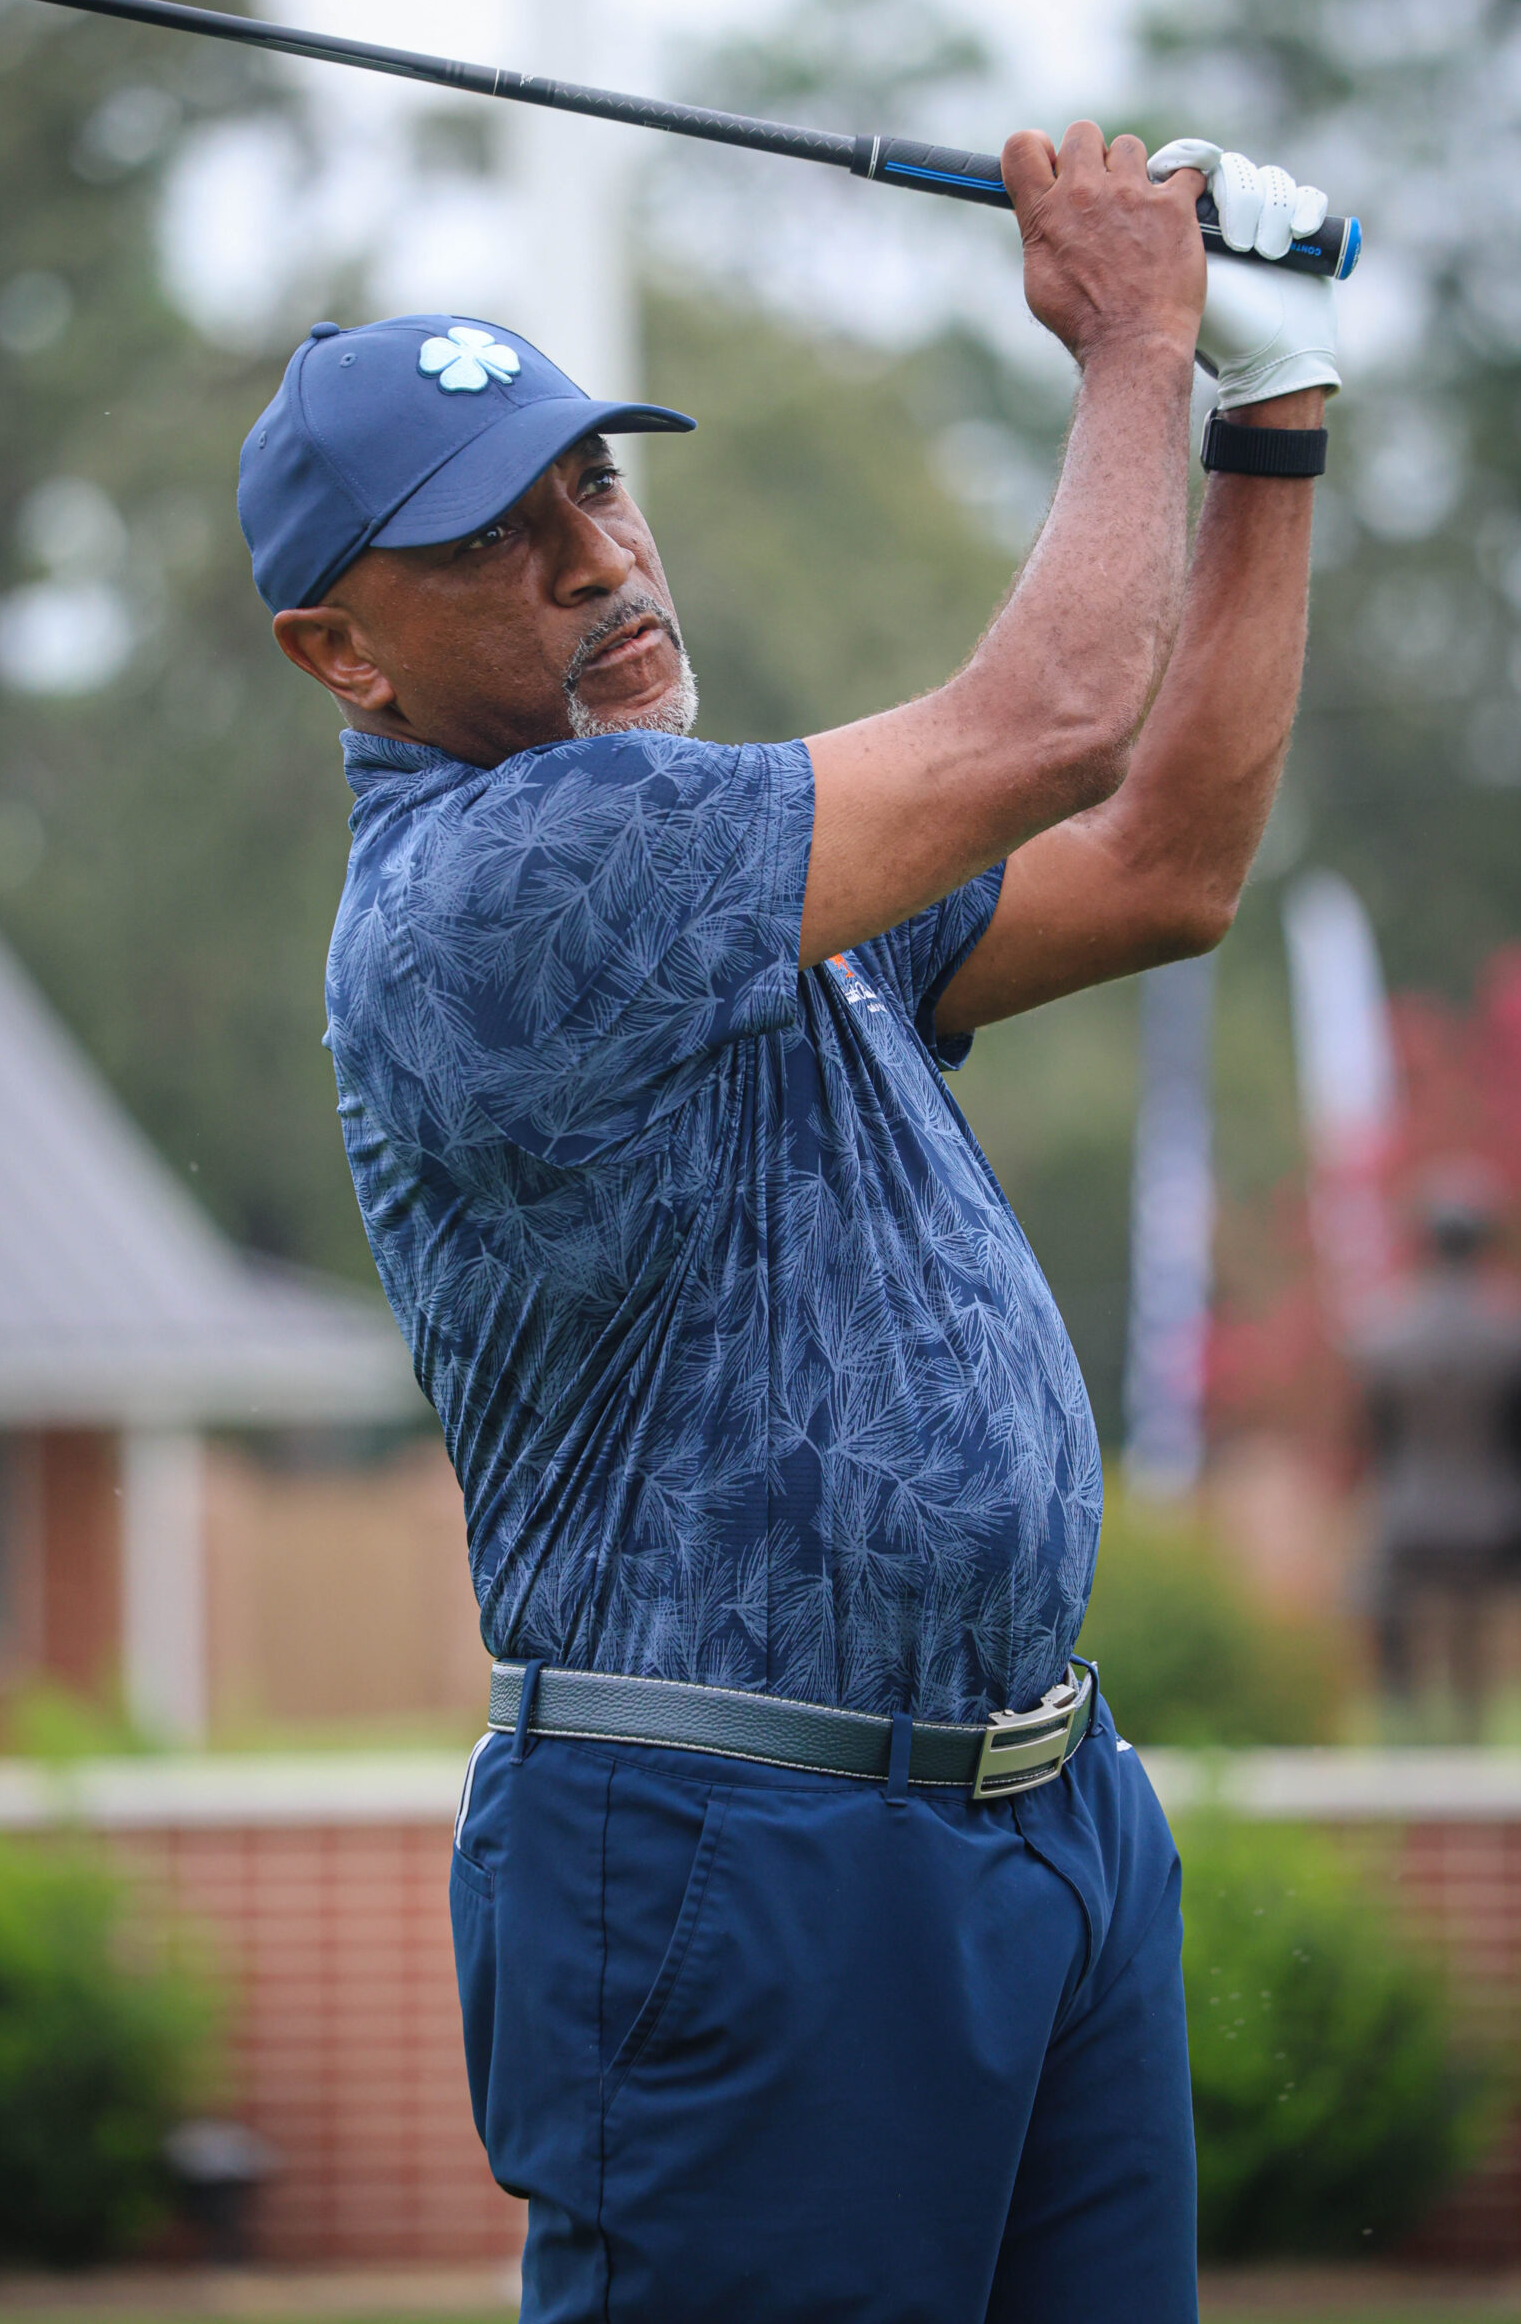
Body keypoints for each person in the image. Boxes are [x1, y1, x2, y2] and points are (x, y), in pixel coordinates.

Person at [238, 125, 1341, 2324]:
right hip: (735, 1854)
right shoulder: (511, 881)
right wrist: (1137, 343)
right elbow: (1047, 720)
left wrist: (1268, 417)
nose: (595, 560)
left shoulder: (737, 863)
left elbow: (1162, 867)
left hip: (1037, 1807)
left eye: (595, 487)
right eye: (498, 537)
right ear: (342, 653)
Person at [1353, 1169, 1521, 1732]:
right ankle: (1469, 1718)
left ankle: (1402, 1712)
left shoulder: (1387, 1336)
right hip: (1502, 1527)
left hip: (1410, 1526)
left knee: (1374, 1593)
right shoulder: (1518, 1334)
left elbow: (1380, 1444)